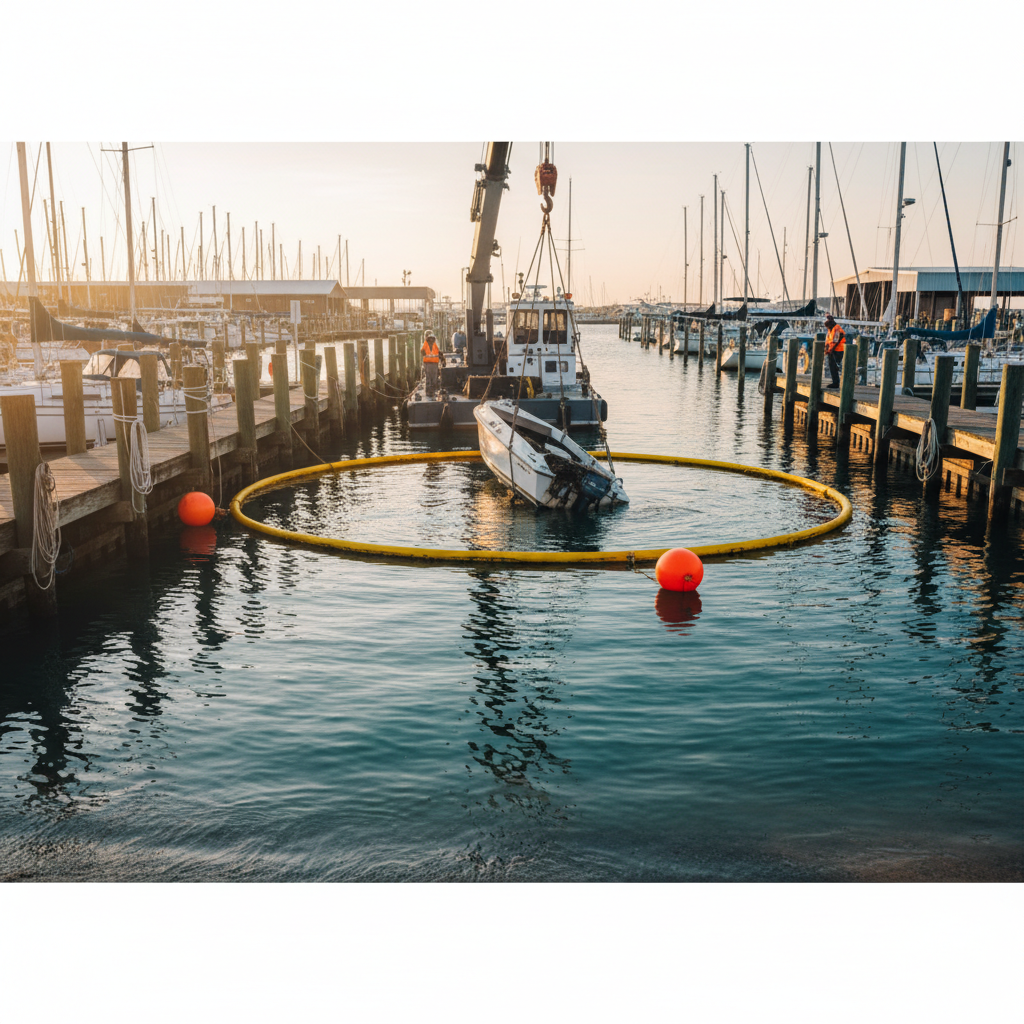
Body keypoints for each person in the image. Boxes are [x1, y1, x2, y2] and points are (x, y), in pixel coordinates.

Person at [824, 315, 846, 388]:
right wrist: (827, 349)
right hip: (832, 350)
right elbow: (828, 341)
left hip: (838, 350)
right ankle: (835, 382)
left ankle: (836, 383)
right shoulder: (830, 329)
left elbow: (836, 341)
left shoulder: (836, 328)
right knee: (832, 366)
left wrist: (831, 350)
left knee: (834, 366)